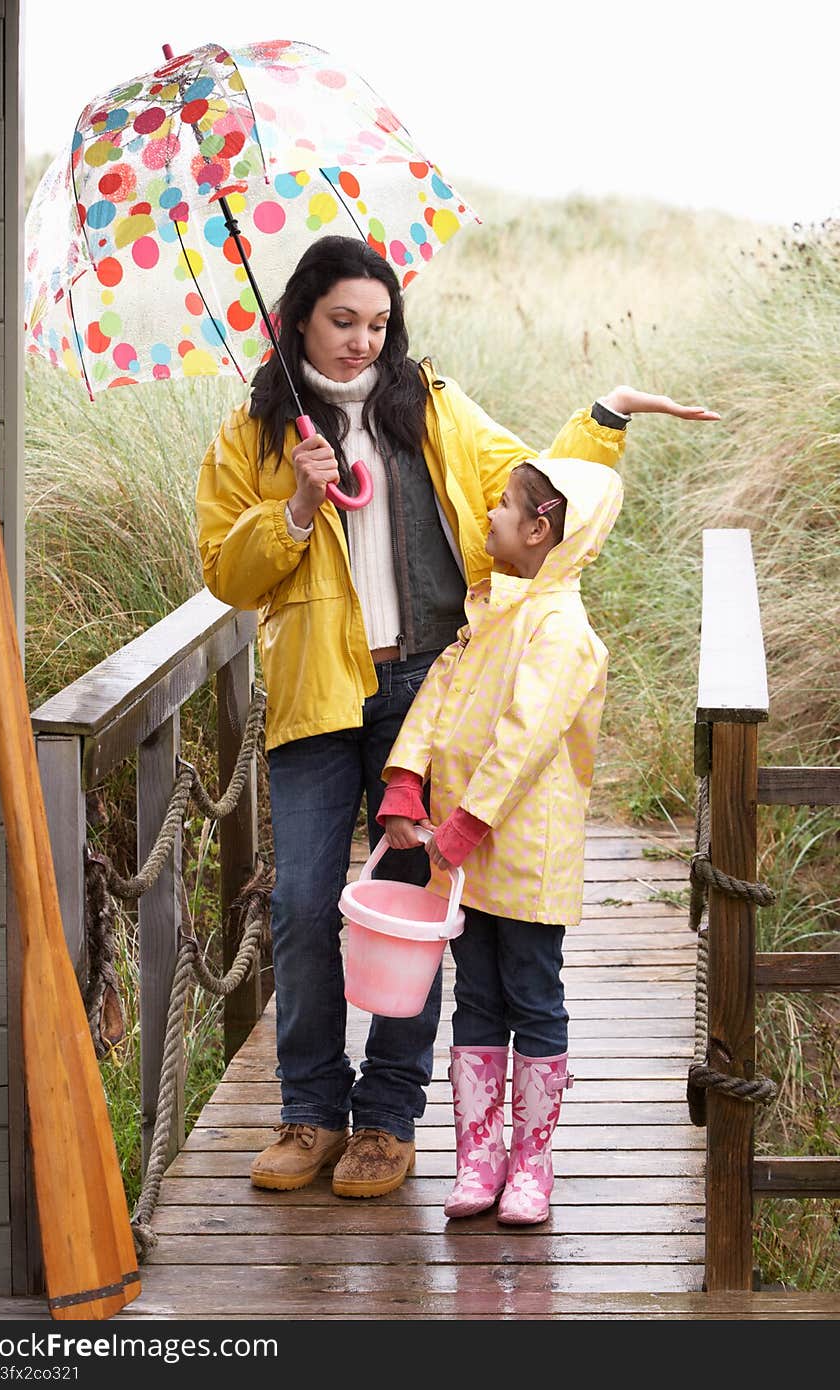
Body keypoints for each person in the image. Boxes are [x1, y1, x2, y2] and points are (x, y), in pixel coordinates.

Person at [195, 232, 717, 1200]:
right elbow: (225, 571)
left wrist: (602, 419)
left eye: (378, 322)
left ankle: (387, 1120)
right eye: (343, 321)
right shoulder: (255, 434)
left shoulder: (426, 406)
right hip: (317, 695)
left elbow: (527, 491)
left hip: (425, 692)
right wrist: (297, 509)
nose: (361, 341)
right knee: (305, 908)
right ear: (299, 317)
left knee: (413, 909)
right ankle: (311, 1109)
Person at [377, 429, 715, 1223]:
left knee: (532, 992)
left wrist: (465, 823)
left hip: (520, 848)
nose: (490, 514)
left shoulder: (562, 629)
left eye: (503, 503)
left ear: (539, 529)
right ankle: (477, 1158)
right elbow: (440, 696)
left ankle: (531, 1163)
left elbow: (525, 739)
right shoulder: (495, 606)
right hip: (463, 851)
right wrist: (405, 777)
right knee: (477, 997)